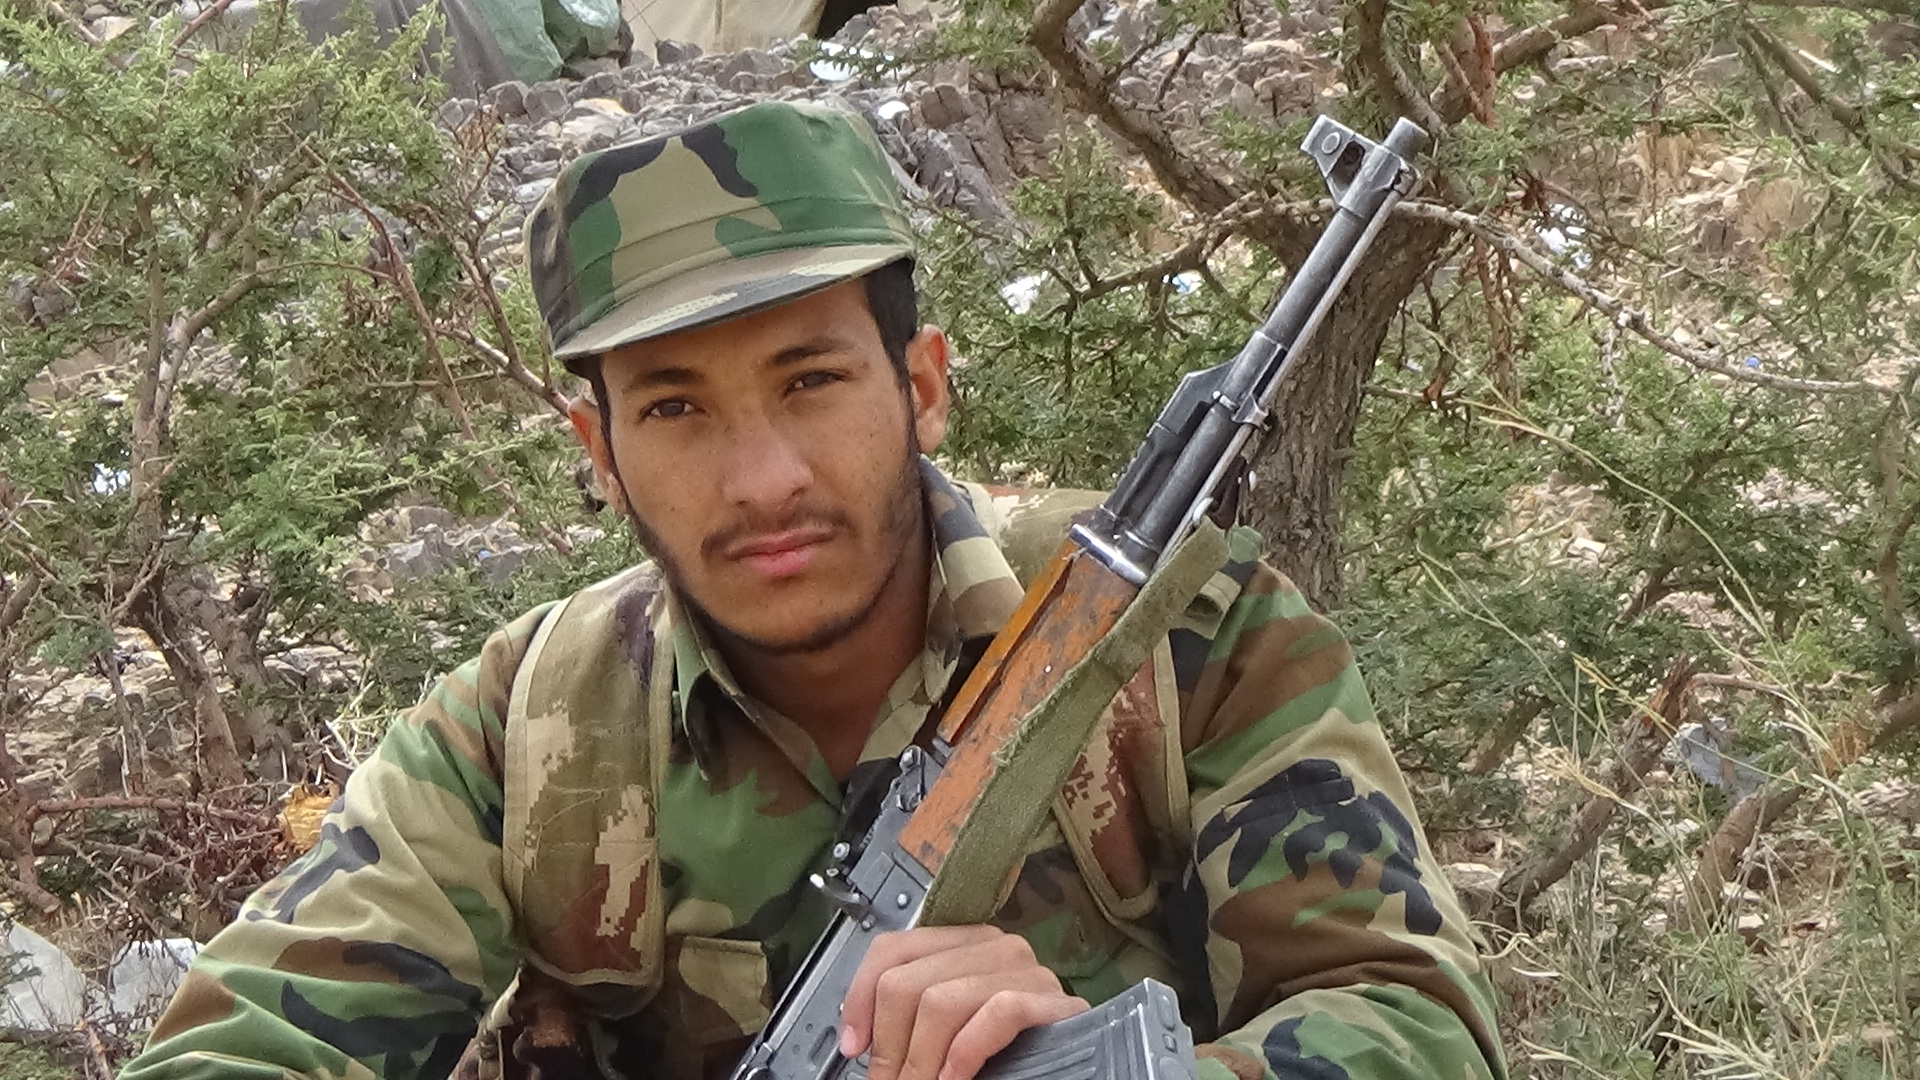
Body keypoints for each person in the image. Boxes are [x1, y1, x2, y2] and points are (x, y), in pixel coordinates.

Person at [119, 101, 1505, 1080]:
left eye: (813, 380)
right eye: (676, 408)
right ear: (599, 451)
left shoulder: (1181, 638)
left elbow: (1419, 1028)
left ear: (923, 385)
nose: (762, 478)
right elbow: (239, 1049)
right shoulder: (518, 733)